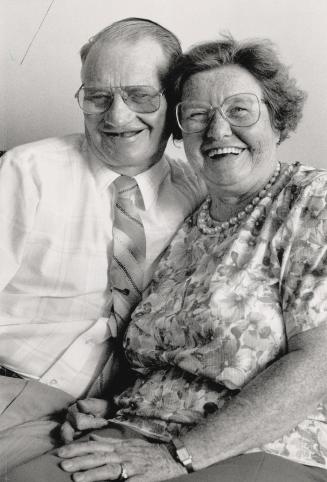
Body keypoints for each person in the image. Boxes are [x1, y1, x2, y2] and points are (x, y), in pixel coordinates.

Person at [9, 35, 327, 482]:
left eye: (240, 110)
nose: (218, 131)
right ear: (180, 130)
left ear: (278, 120)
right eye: (198, 115)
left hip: (259, 445)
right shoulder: (190, 221)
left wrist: (180, 456)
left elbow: (318, 365)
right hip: (136, 430)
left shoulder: (311, 201)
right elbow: (177, 362)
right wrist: (113, 405)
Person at [0, 18, 205, 472]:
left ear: (173, 104)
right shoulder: (28, 171)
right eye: (98, 97)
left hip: (104, 415)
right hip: (10, 380)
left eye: (140, 96)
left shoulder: (199, 197)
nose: (116, 116)